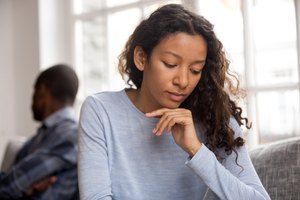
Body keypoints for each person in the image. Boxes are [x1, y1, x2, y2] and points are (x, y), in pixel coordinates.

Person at [78, 4, 270, 200]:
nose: (183, 81)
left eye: (195, 70)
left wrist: (196, 150)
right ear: (141, 58)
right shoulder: (101, 111)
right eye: (170, 64)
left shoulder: (217, 119)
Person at [0, 64, 79, 200]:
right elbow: (10, 182)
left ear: (43, 90)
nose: (31, 100)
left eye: (34, 91)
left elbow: (10, 186)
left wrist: (21, 190)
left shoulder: (70, 135)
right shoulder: (39, 137)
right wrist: (25, 190)